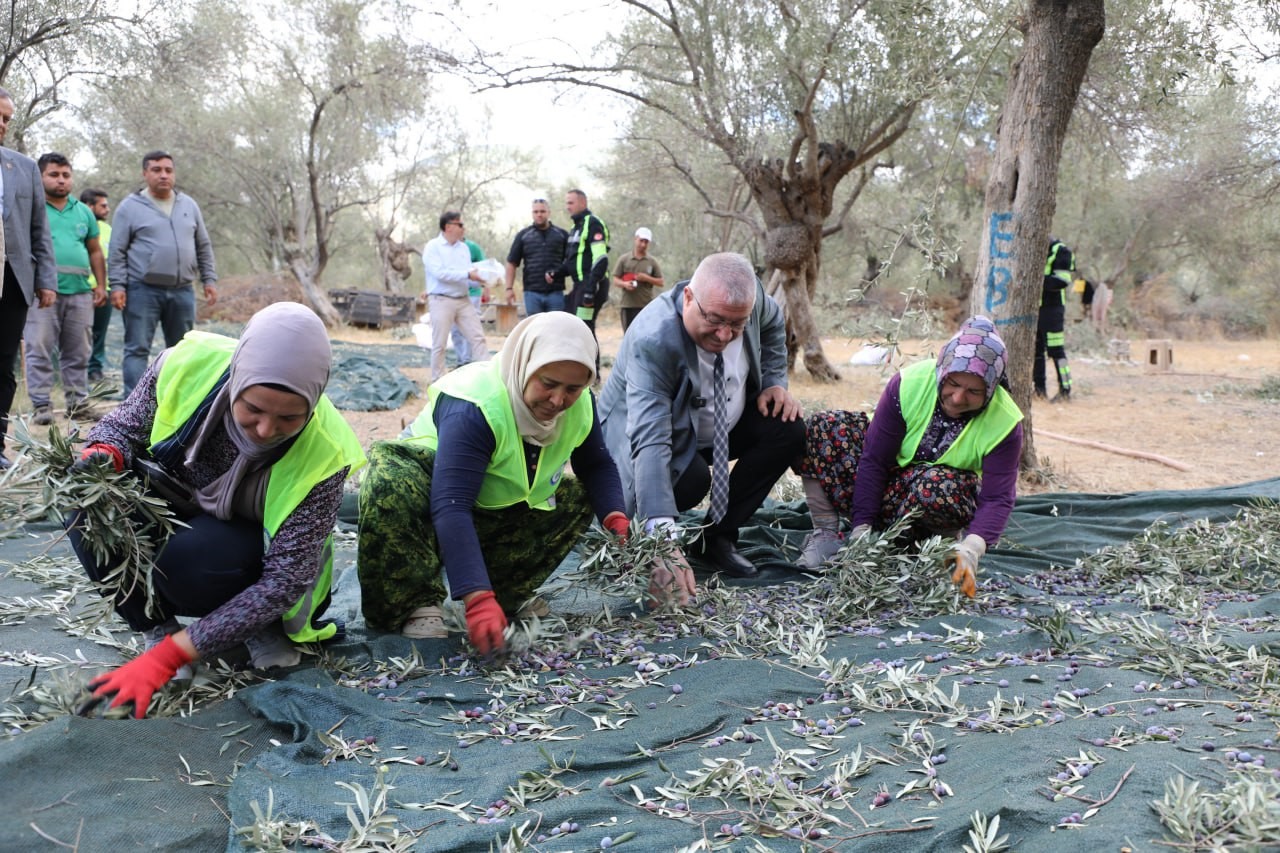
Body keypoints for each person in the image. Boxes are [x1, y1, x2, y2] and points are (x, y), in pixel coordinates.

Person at [69, 303, 366, 719]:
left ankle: (258, 627)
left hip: (247, 546)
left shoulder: (326, 452)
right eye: (253, 410)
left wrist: (171, 659)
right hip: (176, 501)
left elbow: (286, 579)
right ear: (237, 380)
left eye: (288, 418)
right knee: (87, 503)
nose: (265, 431)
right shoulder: (186, 367)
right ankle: (157, 627)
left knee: (191, 562)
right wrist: (104, 453)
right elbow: (121, 428)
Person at [358, 312, 636, 654]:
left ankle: (506, 591)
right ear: (525, 365)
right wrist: (475, 596)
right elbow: (452, 502)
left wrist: (616, 519)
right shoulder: (475, 404)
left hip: (489, 506)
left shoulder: (580, 407)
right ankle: (415, 601)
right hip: (431, 497)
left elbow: (595, 465)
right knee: (391, 480)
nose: (557, 400)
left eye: (573, 389)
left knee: (578, 497)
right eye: (547, 383)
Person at [599, 252, 805, 579]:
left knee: (786, 427)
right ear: (688, 298)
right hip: (652, 432)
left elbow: (773, 322)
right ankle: (648, 531)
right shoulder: (653, 339)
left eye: (736, 324)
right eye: (714, 320)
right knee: (692, 482)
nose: (724, 335)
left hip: (723, 424)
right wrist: (661, 543)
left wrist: (774, 381)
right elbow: (650, 441)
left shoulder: (754, 303)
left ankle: (717, 538)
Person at [795, 316, 1024, 596]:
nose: (957, 398)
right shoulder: (910, 383)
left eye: (974, 391)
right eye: (952, 383)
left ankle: (935, 548)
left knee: (938, 484)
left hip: (933, 499)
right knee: (824, 426)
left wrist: (973, 548)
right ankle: (828, 535)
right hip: (885, 487)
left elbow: (997, 497)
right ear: (942, 371)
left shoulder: (1005, 421)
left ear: (991, 388)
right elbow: (875, 460)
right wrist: (861, 528)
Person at [110, 150, 218, 398]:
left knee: (183, 349)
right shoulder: (130, 207)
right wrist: (117, 286)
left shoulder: (188, 205)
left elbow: (203, 245)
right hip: (142, 290)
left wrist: (209, 279)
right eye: (157, 170)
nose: (163, 175)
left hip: (182, 291)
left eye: (168, 170)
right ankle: (133, 407)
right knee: (137, 348)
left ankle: (179, 403)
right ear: (145, 173)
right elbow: (117, 250)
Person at [23, 154, 108, 425]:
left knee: (79, 351)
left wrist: (101, 285)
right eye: (54, 174)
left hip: (80, 293)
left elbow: (95, 251)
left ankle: (77, 405)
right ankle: (41, 405)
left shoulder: (83, 211)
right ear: (40, 176)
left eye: (66, 175)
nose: (61, 180)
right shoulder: (30, 207)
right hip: (42, 293)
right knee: (39, 347)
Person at [0, 87, 58, 470]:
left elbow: (40, 227)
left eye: (6, 118)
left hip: (12, 281)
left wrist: (46, 278)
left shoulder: (21, 167)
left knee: (3, 366)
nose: (2, 125)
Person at [423, 210, 489, 382]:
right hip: (441, 299)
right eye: (459, 225)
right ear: (448, 227)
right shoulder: (433, 247)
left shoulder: (464, 249)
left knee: (477, 337)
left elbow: (466, 276)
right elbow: (440, 274)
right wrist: (468, 274)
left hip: (463, 299)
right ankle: (437, 380)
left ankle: (488, 376)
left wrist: (483, 280)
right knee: (440, 343)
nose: (463, 228)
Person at [555, 189, 609, 367]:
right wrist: (556, 273)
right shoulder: (575, 228)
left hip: (593, 284)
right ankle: (576, 366)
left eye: (570, 202)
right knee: (570, 324)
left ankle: (593, 372)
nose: (567, 207)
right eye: (566, 203)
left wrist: (590, 289)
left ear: (583, 203)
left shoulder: (593, 223)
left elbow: (601, 258)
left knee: (584, 327)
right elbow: (572, 261)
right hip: (579, 284)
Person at [504, 197, 568, 315]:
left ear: (549, 213)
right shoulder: (523, 236)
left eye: (542, 211)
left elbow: (571, 261)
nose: (539, 215)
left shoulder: (562, 235)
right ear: (532, 213)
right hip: (532, 293)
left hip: (556, 292)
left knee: (556, 329)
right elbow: (511, 263)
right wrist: (509, 288)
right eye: (536, 212)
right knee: (534, 329)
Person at [82, 188, 119, 383]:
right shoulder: (78, 225)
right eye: (102, 205)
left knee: (99, 333)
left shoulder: (108, 230)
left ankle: (95, 369)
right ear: (89, 206)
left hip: (103, 290)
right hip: (80, 290)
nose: (107, 209)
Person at [1035, 238, 1075, 401]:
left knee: (1056, 351)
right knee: (1036, 351)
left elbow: (1063, 280)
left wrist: (1036, 281)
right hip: (1034, 311)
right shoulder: (1031, 247)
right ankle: (1039, 391)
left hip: (1052, 309)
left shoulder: (1060, 250)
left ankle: (1065, 390)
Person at [613, 226, 665, 332]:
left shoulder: (652, 261)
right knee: (628, 335)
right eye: (641, 241)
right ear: (635, 239)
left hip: (646, 306)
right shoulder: (624, 259)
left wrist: (647, 278)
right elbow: (615, 280)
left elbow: (661, 282)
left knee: (645, 334)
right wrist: (625, 284)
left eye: (646, 242)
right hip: (628, 305)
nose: (643, 245)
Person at [450, 237, 489, 365]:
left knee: (470, 328)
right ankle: (461, 358)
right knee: (455, 329)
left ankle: (467, 360)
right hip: (454, 294)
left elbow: (484, 269)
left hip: (473, 294)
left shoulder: (472, 247)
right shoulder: (447, 249)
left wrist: (486, 288)